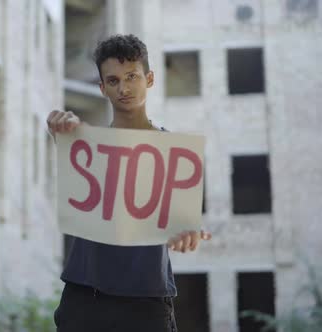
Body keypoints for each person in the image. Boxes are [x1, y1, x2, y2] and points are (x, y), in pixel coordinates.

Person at [47, 34, 211, 332]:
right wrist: (60, 129)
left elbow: (181, 223)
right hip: (85, 299)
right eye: (113, 81)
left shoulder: (174, 155)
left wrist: (190, 232)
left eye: (132, 77)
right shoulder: (87, 148)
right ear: (102, 88)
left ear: (148, 79)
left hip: (145, 303)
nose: (123, 88)